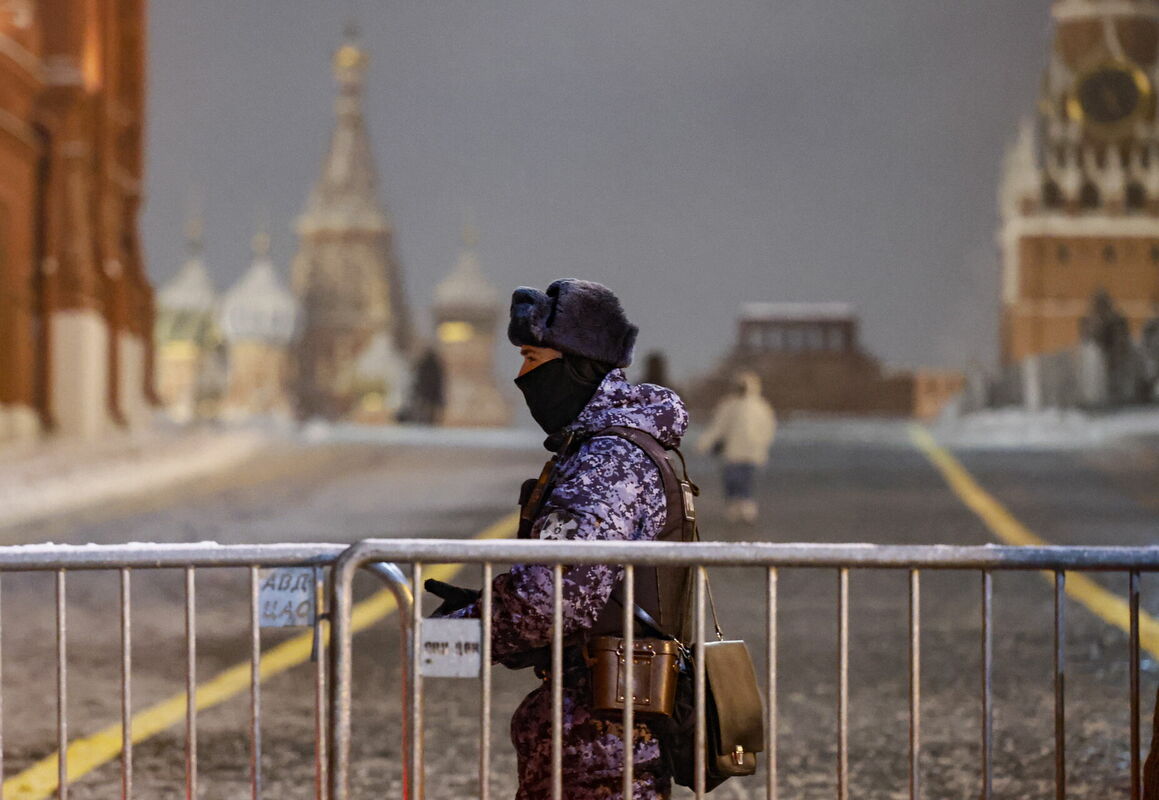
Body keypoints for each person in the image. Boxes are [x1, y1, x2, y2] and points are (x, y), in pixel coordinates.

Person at [429, 278, 688, 800]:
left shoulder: (606, 461)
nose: (521, 375)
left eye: (530, 357)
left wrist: (456, 635)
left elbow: (551, 601)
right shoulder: (608, 448)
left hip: (600, 740)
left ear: (575, 363)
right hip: (601, 729)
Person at [696, 371, 776, 524]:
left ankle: (744, 504)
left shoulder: (760, 407)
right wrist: (705, 443)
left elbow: (768, 429)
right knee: (733, 479)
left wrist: (761, 443)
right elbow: (718, 427)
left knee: (745, 479)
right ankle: (736, 505)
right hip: (736, 452)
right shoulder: (731, 405)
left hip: (749, 452)